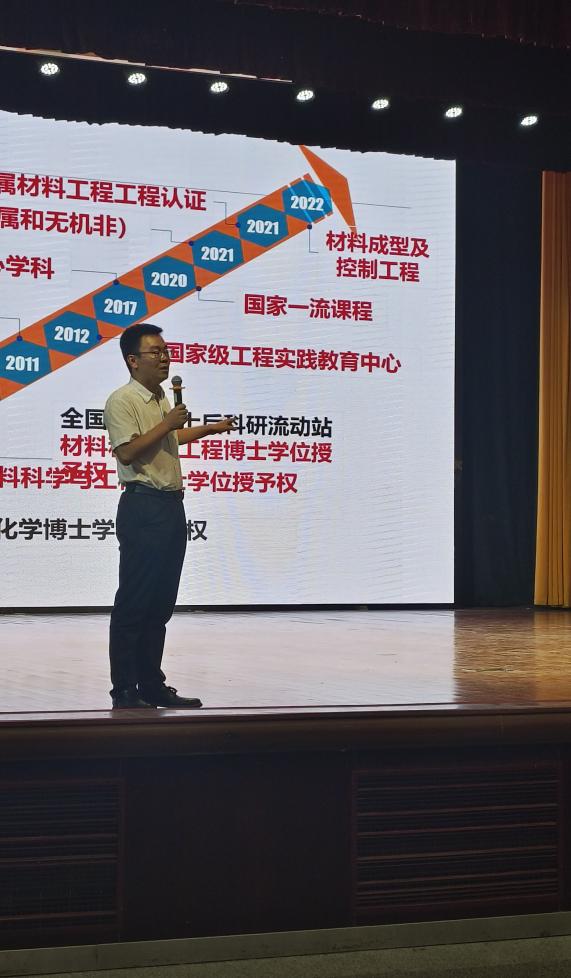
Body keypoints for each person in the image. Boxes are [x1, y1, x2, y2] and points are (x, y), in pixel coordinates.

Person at [103, 322, 236, 709]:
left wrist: (210, 429)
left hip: (170, 506)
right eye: (155, 352)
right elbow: (128, 452)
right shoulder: (123, 400)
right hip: (143, 506)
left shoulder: (161, 397)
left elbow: (169, 438)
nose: (164, 358)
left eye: (166, 351)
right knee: (135, 601)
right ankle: (124, 690)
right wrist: (167, 423)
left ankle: (151, 684)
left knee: (160, 603)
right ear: (133, 360)